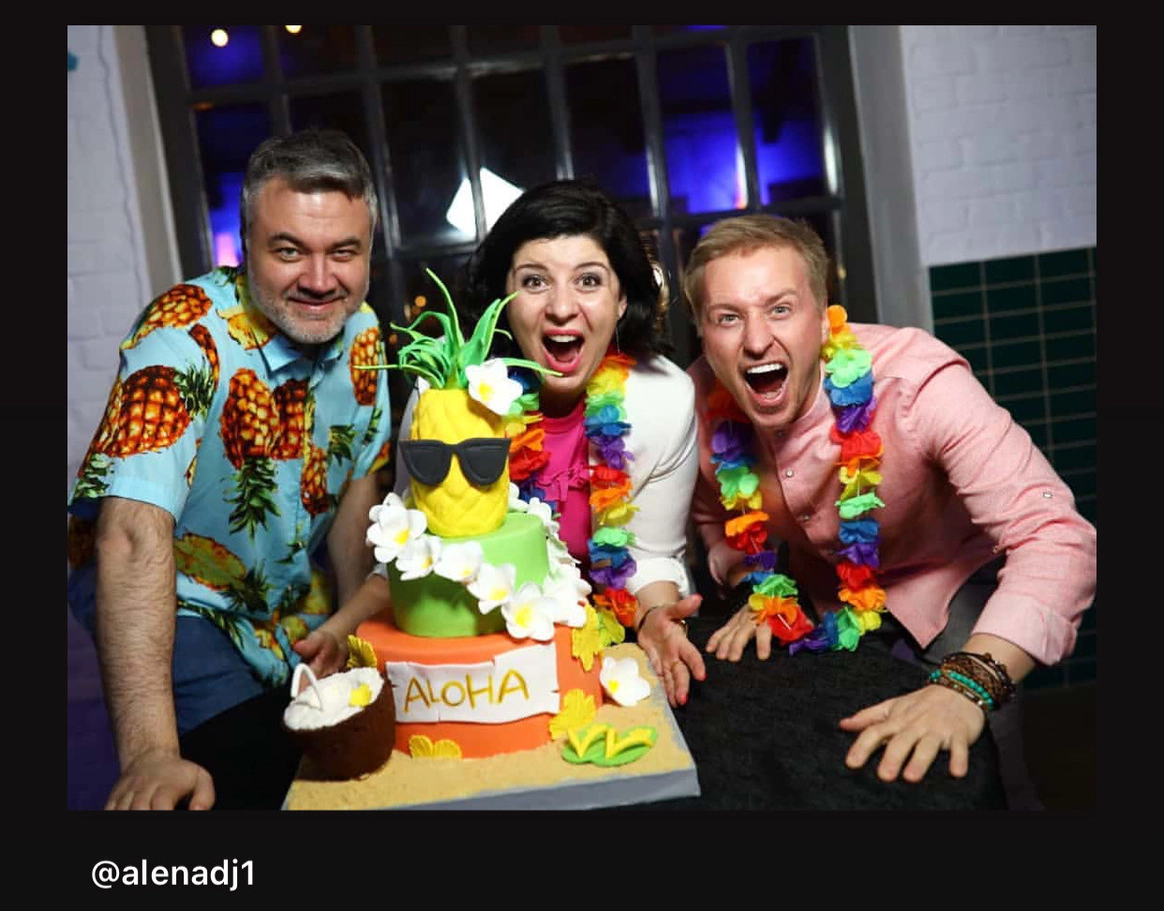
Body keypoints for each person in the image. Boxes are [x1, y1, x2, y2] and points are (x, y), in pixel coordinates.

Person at [683, 214, 1096, 788]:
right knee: (832, 770)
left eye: (780, 308)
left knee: (987, 775)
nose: (755, 341)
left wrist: (969, 682)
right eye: (728, 318)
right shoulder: (696, 401)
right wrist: (754, 580)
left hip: (951, 586)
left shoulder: (916, 382)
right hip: (821, 600)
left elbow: (1055, 535)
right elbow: (710, 514)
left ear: (823, 318)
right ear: (704, 335)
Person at [66, 128, 394, 810]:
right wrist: (151, 754)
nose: (320, 280)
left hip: (280, 598)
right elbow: (130, 535)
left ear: (369, 251)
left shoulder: (364, 331)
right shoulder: (178, 338)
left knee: (352, 755)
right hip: (175, 595)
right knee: (262, 777)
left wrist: (358, 639)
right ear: (245, 246)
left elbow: (357, 490)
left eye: (343, 252)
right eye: (289, 251)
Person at [336, 178, 706, 707]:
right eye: (535, 281)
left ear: (622, 299)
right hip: (478, 665)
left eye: (589, 280)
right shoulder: (445, 398)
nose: (562, 308)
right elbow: (410, 544)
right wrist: (339, 632)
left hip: (604, 655)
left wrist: (655, 620)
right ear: (503, 299)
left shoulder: (663, 399)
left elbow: (650, 555)